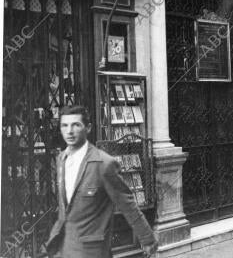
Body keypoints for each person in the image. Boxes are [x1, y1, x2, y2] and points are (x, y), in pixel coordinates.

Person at [45, 105, 157, 257]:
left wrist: (147, 239)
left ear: (88, 128)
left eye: (76, 125)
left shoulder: (104, 163)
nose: (69, 131)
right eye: (64, 125)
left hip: (92, 251)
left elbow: (127, 204)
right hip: (64, 247)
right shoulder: (61, 159)